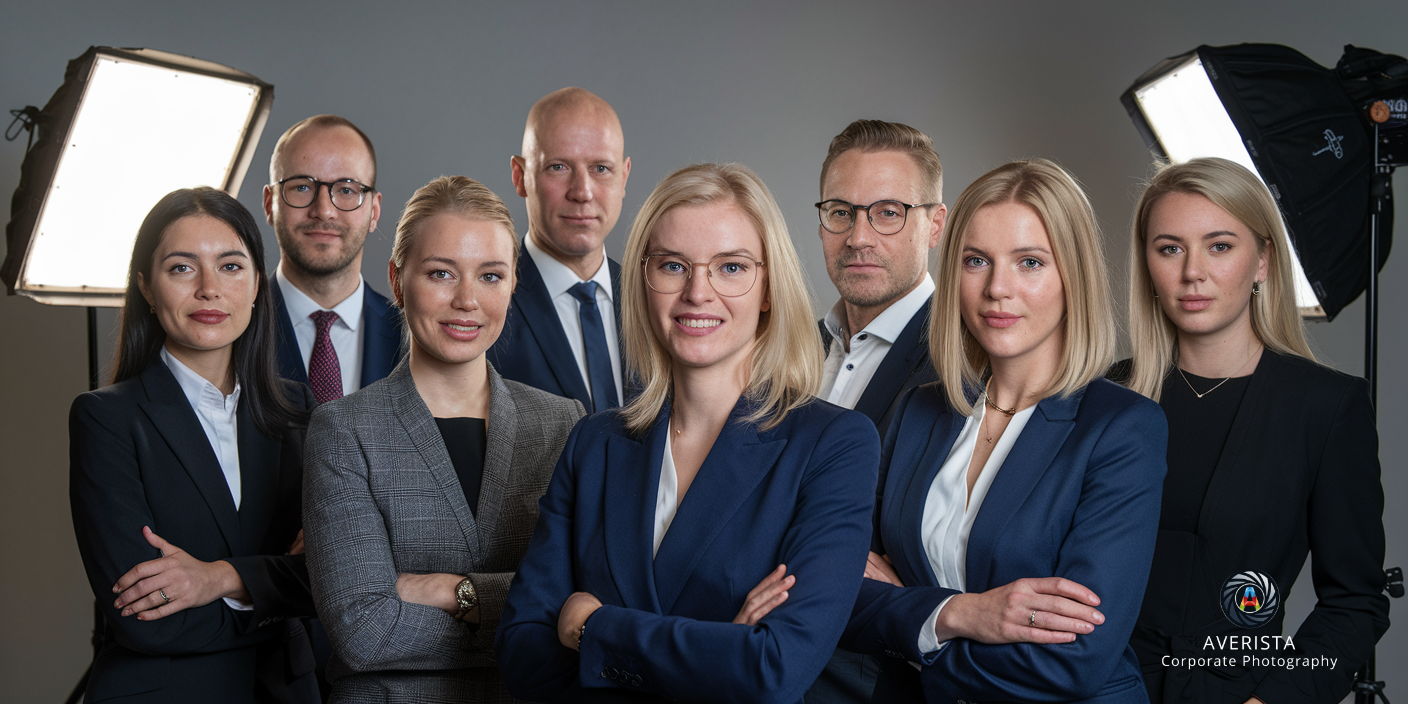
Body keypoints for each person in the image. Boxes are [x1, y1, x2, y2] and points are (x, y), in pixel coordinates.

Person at [496, 163, 881, 704]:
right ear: (644, 280)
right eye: (674, 265)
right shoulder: (596, 443)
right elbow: (522, 657)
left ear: (768, 288)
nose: (698, 293)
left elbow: (773, 670)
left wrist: (592, 626)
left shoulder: (833, 444)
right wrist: (719, 645)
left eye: (731, 268)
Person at [844, 159, 1167, 703]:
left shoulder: (1121, 429)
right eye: (976, 261)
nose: (997, 288)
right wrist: (963, 613)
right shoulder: (918, 411)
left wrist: (918, 628)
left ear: (1074, 275)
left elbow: (1075, 660)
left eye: (1030, 262)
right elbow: (839, 590)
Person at [302, 175, 585, 703]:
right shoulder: (344, 431)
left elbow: (588, 598)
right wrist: (531, 617)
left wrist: (452, 592)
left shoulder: (563, 424)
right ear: (397, 278)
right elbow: (364, 632)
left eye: (491, 276)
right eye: (440, 273)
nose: (467, 300)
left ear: (513, 283)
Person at [1118, 158, 1389, 704]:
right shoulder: (1103, 396)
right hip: (1094, 686)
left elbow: (1356, 602)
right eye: (1169, 248)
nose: (1192, 271)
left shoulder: (1324, 407)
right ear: (1147, 263)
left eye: (1219, 246)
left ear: (1263, 260)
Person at [69, 187, 318, 704]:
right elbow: (146, 621)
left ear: (256, 285)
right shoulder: (106, 419)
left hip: (286, 692)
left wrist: (217, 578)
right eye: (182, 268)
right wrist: (278, 593)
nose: (209, 289)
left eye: (230, 266)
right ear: (146, 287)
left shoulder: (300, 411)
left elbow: (333, 576)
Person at [807, 118, 946, 704]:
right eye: (842, 211)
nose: (859, 236)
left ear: (934, 224)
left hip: (876, 680)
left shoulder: (966, 363)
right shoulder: (791, 351)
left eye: (888, 212)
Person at [486, 87, 631, 412]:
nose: (582, 192)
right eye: (558, 167)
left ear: (624, 177)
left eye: (601, 169)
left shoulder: (653, 300)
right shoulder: (482, 308)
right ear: (520, 176)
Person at [263, 114, 403, 403]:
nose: (324, 210)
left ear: (374, 211)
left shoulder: (412, 337)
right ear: (269, 204)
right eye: (302, 187)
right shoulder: (232, 329)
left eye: (347, 190)